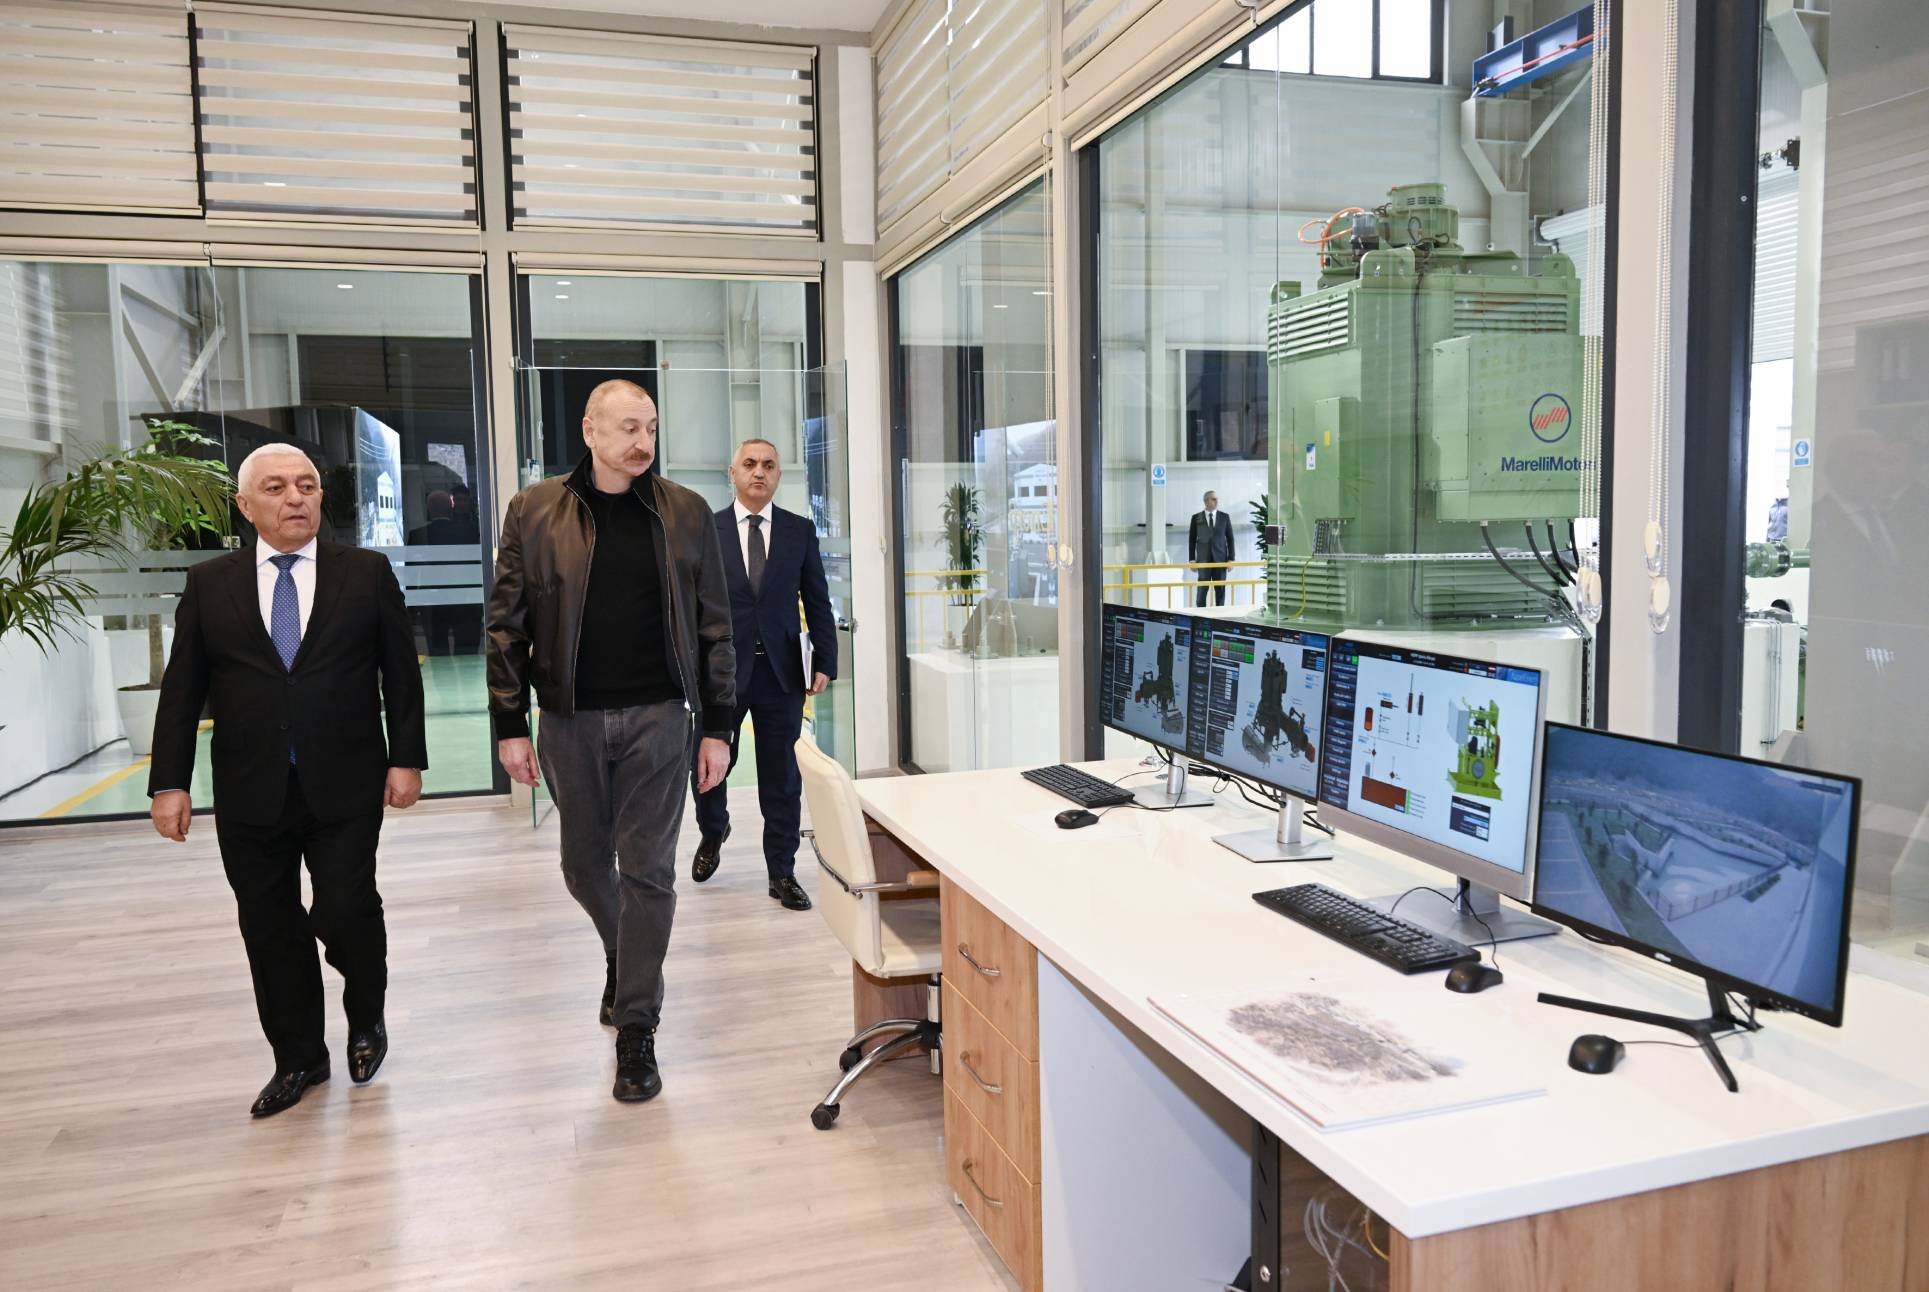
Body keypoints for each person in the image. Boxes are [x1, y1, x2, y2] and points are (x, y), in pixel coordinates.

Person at [148, 443, 426, 1119]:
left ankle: (366, 1015)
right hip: (251, 786)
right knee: (269, 926)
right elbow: (182, 690)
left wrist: (407, 758)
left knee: (346, 908)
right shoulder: (208, 584)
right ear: (245, 506)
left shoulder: (365, 574)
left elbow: (401, 674)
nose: (295, 497)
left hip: (346, 779)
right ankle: (299, 1056)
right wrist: (169, 781)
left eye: (306, 485)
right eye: (275, 488)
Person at [486, 379, 735, 1105]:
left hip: (660, 718)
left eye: (650, 427)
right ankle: (624, 954)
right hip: (569, 720)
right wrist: (509, 723)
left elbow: (716, 626)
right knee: (582, 864)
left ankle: (636, 1028)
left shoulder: (686, 512)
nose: (642, 442)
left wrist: (718, 726)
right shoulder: (535, 510)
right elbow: (507, 623)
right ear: (590, 430)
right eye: (628, 427)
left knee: (649, 872)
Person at [688, 438, 838, 909]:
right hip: (720, 673)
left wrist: (826, 660)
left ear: (778, 476)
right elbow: (689, 604)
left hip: (781, 673)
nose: (759, 472)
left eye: (769, 465)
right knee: (708, 766)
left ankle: (782, 872)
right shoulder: (706, 530)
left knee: (782, 778)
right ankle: (714, 831)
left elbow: (817, 599)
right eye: (750, 464)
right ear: (732, 473)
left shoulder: (799, 531)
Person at [1188, 489, 1234, 606]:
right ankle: (1200, 615)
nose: (1216, 501)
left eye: (1216, 499)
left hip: (1220, 560)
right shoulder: (1196, 518)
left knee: (1220, 591)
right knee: (1202, 591)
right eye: (1213, 499)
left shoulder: (1225, 517)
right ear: (1206, 501)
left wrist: (1231, 559)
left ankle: (1219, 615)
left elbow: (1230, 539)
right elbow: (1192, 540)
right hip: (1203, 560)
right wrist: (1192, 559)